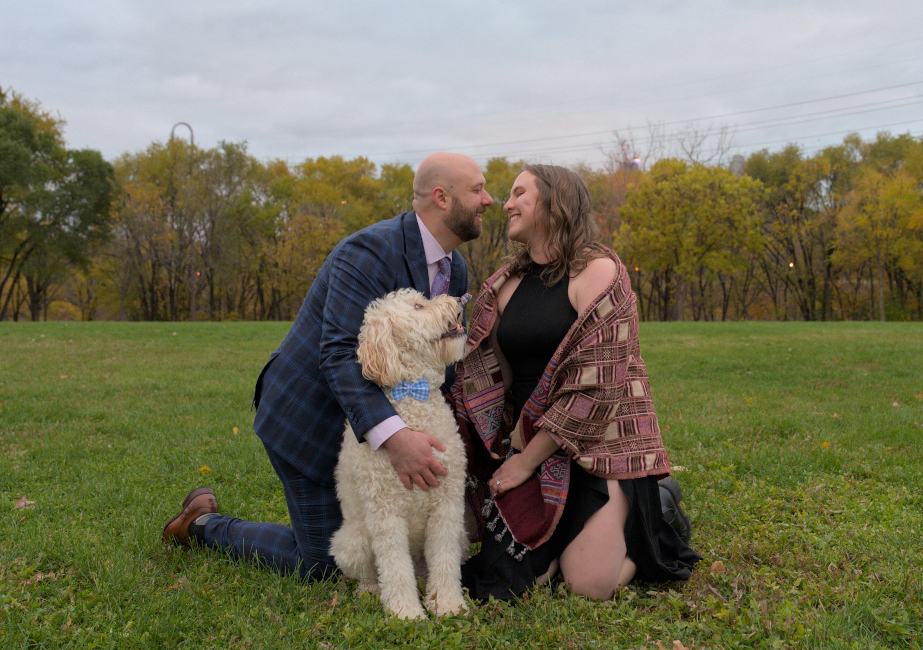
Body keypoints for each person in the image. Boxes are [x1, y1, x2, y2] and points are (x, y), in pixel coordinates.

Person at [162, 152, 494, 580]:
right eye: (478, 189)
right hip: (310, 421)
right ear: (442, 197)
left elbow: (437, 364)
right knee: (328, 562)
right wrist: (395, 440)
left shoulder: (457, 270)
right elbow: (338, 354)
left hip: (368, 437)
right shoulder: (370, 252)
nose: (489, 199)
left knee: (386, 541)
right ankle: (202, 526)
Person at [453, 164, 699, 601]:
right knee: (513, 583)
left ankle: (657, 509)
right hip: (530, 444)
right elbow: (492, 382)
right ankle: (569, 537)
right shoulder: (502, 287)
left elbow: (596, 388)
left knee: (588, 586)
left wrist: (525, 463)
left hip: (599, 446)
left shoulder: (600, 273)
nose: (505, 204)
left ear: (553, 201)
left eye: (518, 193)